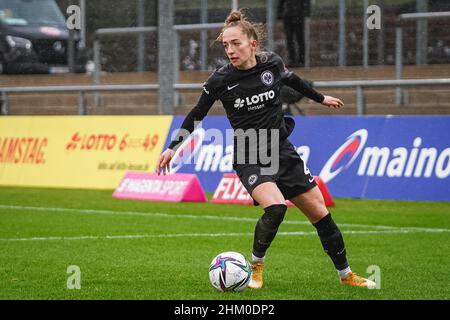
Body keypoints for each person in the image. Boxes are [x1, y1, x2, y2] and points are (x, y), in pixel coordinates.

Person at [156, 9, 376, 289]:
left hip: (283, 151)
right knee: (275, 207)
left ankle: (346, 276)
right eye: (226, 45)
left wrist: (320, 98)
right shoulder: (220, 80)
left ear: (252, 44)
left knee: (321, 214)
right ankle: (256, 267)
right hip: (250, 155)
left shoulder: (271, 63)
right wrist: (173, 147)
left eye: (236, 43)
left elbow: (292, 80)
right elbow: (196, 114)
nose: (230, 50)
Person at [278, 0, 310, 67]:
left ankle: (301, 61)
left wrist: (306, 11)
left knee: (299, 38)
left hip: (298, 13)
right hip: (288, 14)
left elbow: (306, 2)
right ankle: (292, 60)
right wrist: (280, 12)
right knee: (289, 38)